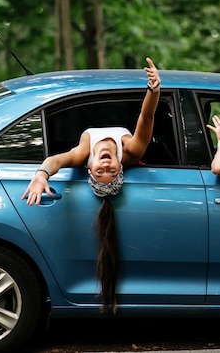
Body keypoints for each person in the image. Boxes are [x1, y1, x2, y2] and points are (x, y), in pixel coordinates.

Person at [21, 57, 161, 313]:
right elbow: (147, 114)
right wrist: (154, 89)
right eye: (111, 170)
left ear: (88, 167)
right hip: (150, 95)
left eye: (100, 172)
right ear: (121, 166)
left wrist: (42, 174)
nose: (106, 166)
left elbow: (55, 160)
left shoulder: (83, 153)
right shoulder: (131, 150)